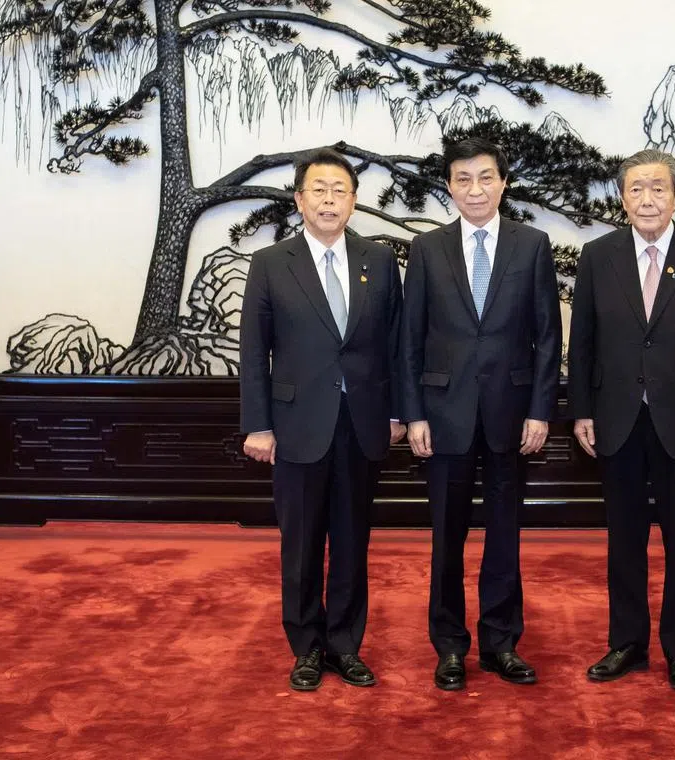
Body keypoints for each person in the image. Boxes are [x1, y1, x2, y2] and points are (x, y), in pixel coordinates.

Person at [567, 148, 675, 691]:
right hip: (616, 418)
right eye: (636, 188)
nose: (647, 198)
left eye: (658, 188)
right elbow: (584, 342)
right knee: (624, 538)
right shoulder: (598, 256)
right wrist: (582, 412)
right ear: (622, 199)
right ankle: (627, 643)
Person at [239, 148, 406, 691]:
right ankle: (306, 648)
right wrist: (258, 426)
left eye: (340, 190)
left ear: (354, 200)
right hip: (295, 425)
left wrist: (400, 412)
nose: (329, 199)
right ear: (299, 199)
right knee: (303, 544)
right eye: (319, 189)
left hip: (362, 422)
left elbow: (396, 345)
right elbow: (253, 352)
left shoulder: (378, 260)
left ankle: (344, 646)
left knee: (354, 541)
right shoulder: (270, 264)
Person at [401, 137, 561, 691]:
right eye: (463, 179)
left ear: (503, 182)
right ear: (449, 186)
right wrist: (414, 413)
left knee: (504, 535)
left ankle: (500, 642)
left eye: (485, 177)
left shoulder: (532, 245)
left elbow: (547, 337)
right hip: (442, 417)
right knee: (446, 536)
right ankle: (448, 646)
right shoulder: (426, 249)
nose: (475, 189)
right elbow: (410, 342)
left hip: (511, 417)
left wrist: (541, 411)